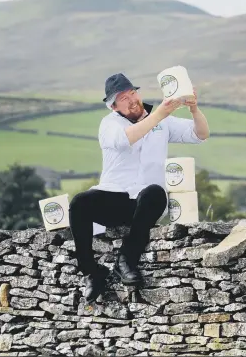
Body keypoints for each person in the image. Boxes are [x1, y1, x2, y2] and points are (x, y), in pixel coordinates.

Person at [70, 72, 210, 303]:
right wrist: (161, 113)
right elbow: (127, 138)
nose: (132, 99)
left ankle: (126, 259)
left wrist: (194, 109)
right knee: (79, 203)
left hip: (144, 201)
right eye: (123, 98)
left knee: (155, 192)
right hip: (114, 199)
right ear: (113, 106)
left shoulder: (161, 121)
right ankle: (91, 272)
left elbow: (201, 134)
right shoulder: (109, 124)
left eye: (133, 93)